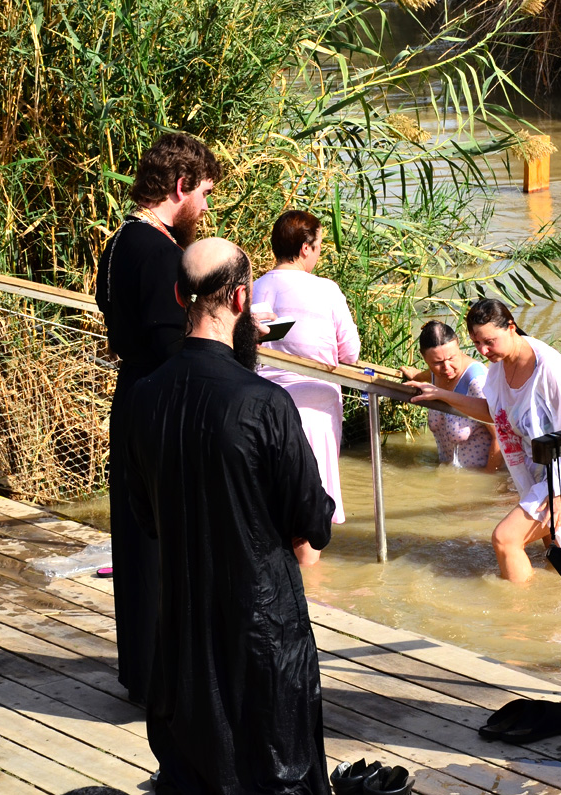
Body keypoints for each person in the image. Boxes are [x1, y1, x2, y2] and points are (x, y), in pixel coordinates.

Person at [125, 237, 334, 794]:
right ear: (242, 299)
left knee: (193, 770)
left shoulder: (143, 397)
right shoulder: (265, 403)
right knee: (277, 771)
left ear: (177, 296)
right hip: (262, 630)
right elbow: (313, 519)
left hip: (182, 632)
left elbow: (145, 514)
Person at [94, 132, 219, 705]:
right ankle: (168, 676)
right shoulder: (167, 255)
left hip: (131, 398)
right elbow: (174, 346)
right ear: (180, 186)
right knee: (171, 537)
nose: (206, 206)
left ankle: (141, 669)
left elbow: (122, 326)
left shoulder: (117, 244)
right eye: (205, 193)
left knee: (136, 536)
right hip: (165, 409)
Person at [407, 299, 561, 582]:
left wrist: (560, 494)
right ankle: (552, 617)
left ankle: (519, 617)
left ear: (511, 327)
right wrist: (441, 394)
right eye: (476, 343)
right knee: (555, 562)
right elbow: (493, 412)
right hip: (541, 473)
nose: (483, 351)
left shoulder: (548, 367)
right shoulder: (499, 367)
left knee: (505, 539)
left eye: (489, 341)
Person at [252, 210, 360, 565]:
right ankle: (313, 591)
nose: (318, 254)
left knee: (275, 498)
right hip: (314, 405)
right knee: (310, 501)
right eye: (317, 247)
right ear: (304, 248)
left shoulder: (256, 287)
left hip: (264, 403)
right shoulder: (326, 290)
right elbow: (350, 353)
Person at [400, 320, 500, 470]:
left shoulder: (476, 382)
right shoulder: (436, 374)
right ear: (424, 357)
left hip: (479, 475)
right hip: (449, 473)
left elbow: (500, 436)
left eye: (451, 358)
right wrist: (415, 376)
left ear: (458, 345)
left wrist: (489, 482)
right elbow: (425, 375)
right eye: (437, 362)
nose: (446, 368)